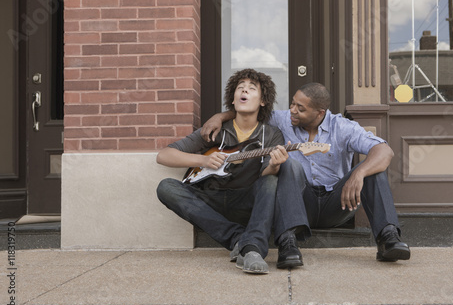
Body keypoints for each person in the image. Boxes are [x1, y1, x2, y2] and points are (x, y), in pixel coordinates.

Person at [201, 82, 410, 266]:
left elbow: (385, 151)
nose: (292, 110)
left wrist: (359, 173)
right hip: (301, 203)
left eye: (300, 109)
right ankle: (288, 242)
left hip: (337, 204)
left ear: (320, 113)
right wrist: (220, 117)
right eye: (292, 103)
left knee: (374, 170)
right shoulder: (284, 120)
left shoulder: (343, 127)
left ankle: (387, 238)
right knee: (290, 165)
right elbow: (251, 111)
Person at [156, 68, 306, 275]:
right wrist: (204, 159)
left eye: (252, 89)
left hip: (245, 201)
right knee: (166, 187)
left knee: (270, 180)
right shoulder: (216, 129)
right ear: (233, 99)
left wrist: (273, 166)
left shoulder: (271, 135)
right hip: (211, 199)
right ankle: (237, 238)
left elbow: (266, 176)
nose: (244, 91)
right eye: (240, 88)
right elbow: (164, 155)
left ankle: (253, 248)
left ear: (263, 101)